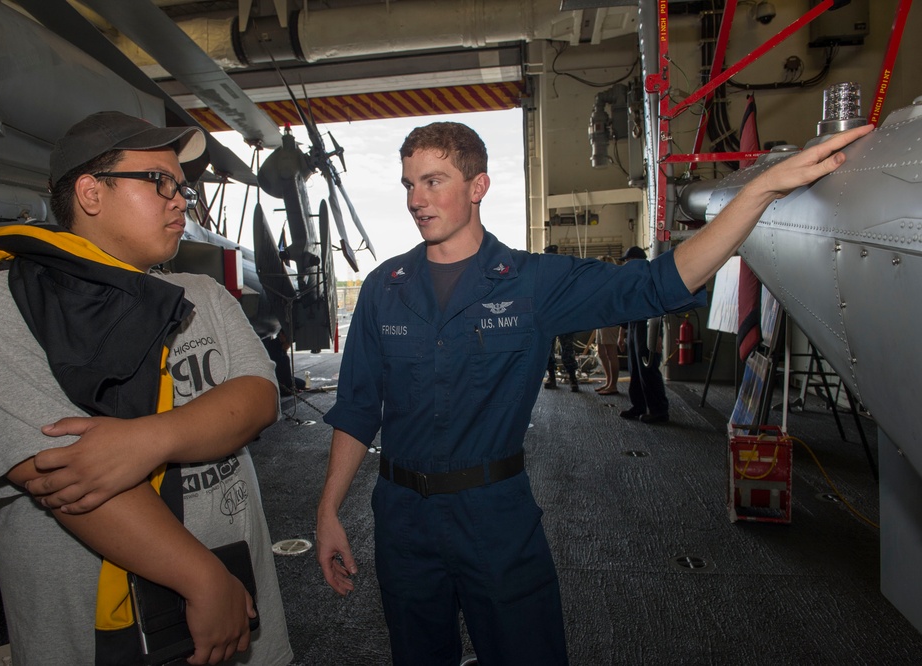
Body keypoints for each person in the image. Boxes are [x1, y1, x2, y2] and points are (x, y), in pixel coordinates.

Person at [314, 120, 873, 665]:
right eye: (409, 184)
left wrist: (758, 192)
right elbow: (359, 408)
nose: (417, 198)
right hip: (402, 519)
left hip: (494, 517)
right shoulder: (384, 291)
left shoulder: (532, 283)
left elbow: (662, 282)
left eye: (433, 181)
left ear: (477, 186)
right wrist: (329, 509)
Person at [0, 111, 293, 665]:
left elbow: (257, 398)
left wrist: (148, 440)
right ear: (91, 193)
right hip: (102, 638)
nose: (181, 201)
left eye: (184, 187)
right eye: (161, 182)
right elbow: (59, 475)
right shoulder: (1, 307)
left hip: (242, 615)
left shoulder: (202, 294)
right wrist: (203, 580)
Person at [617, 246, 671, 423]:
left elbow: (660, 306)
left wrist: (658, 336)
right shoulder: (632, 280)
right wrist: (623, 332)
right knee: (635, 369)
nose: (625, 264)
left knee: (648, 370)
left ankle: (659, 411)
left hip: (649, 326)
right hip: (634, 326)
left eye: (628, 260)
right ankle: (638, 405)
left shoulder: (651, 278)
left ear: (637, 260)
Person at [543, 244, 580, 392]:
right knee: (555, 350)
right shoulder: (562, 272)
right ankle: (565, 379)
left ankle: (567, 378)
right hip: (558, 317)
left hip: (558, 317)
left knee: (562, 349)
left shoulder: (559, 274)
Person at [594, 255, 622, 395]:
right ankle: (608, 381)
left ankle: (613, 385)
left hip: (610, 319)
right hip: (601, 319)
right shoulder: (601, 281)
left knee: (611, 353)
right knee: (601, 352)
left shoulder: (613, 282)